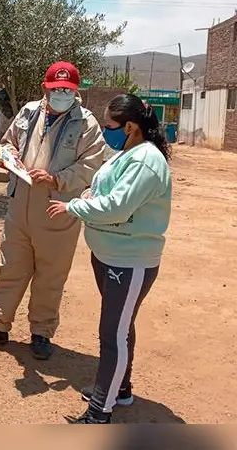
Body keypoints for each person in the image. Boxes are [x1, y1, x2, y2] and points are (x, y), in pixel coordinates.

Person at [0, 61, 106, 360]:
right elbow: (7, 143)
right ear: (46, 88)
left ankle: (41, 333)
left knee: (50, 275)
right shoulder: (28, 112)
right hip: (20, 207)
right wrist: (7, 155)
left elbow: (92, 164)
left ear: (76, 91)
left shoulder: (86, 123)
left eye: (68, 90)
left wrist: (57, 178)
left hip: (56, 209)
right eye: (56, 89)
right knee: (10, 268)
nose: (62, 94)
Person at [47, 94, 172, 424]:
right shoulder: (127, 153)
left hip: (129, 263)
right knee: (120, 327)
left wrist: (74, 206)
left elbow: (118, 207)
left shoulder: (146, 160)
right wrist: (89, 195)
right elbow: (108, 191)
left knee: (112, 335)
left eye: (110, 125)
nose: (106, 130)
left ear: (130, 127)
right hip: (110, 255)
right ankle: (120, 390)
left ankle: (99, 412)